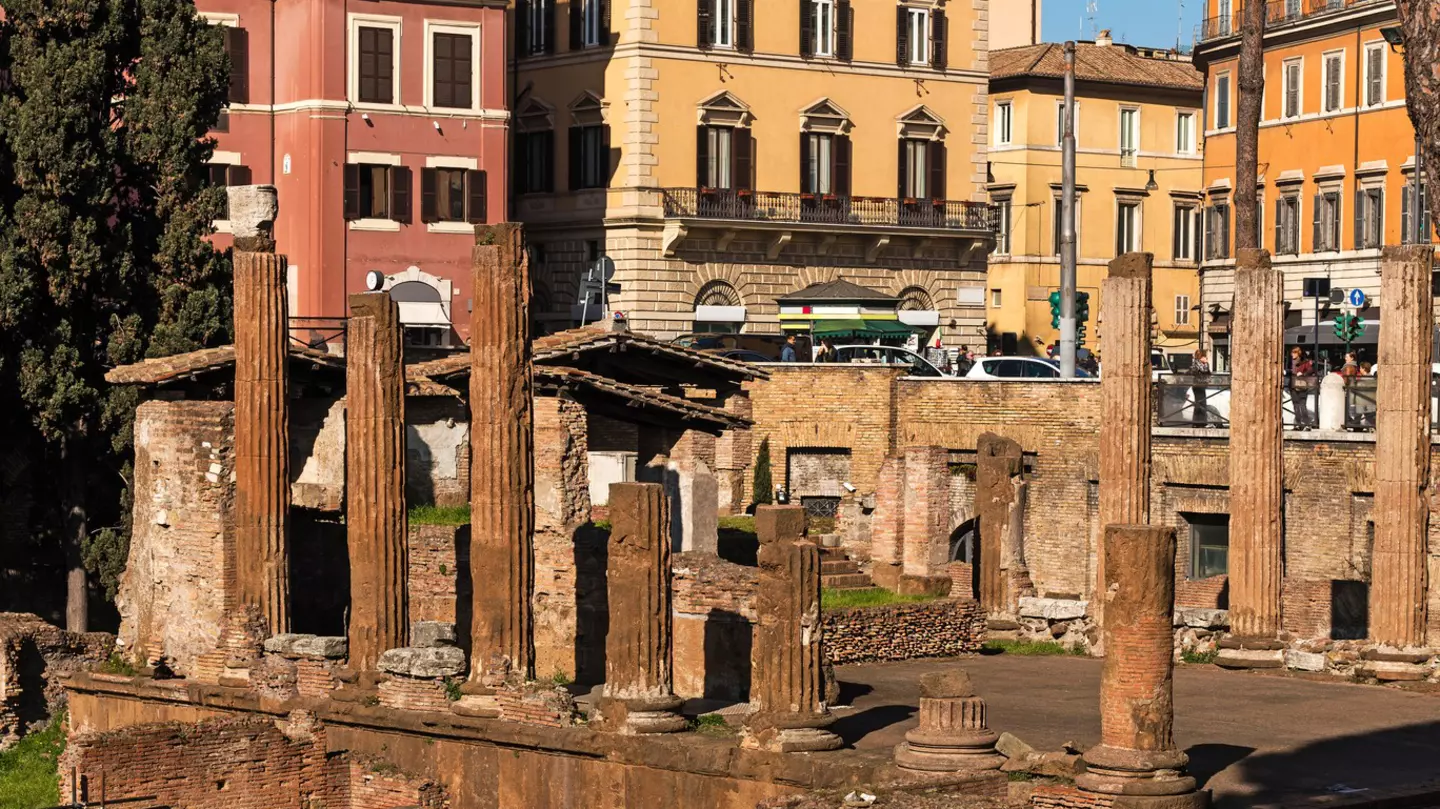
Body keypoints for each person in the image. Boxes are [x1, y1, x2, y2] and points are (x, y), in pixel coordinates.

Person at [1288, 346, 1315, 428]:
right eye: (1292, 352)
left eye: (1294, 352)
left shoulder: (1304, 362)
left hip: (1302, 384)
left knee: (1302, 404)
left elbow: (1310, 370)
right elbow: (1291, 371)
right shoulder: (1290, 362)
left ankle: (1306, 423)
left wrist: (1303, 374)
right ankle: (1298, 423)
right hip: (1293, 384)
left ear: (1298, 353)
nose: (1292, 354)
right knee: (1295, 404)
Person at [1190, 348, 1211, 426]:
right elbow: (1195, 373)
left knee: (1202, 403)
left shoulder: (1205, 365)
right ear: (1200, 357)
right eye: (1205, 356)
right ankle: (1197, 422)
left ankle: (1200, 422)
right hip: (1197, 386)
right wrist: (1205, 367)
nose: (1206, 358)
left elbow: (1208, 374)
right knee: (1199, 404)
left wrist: (1206, 365)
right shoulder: (1195, 364)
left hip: (1203, 385)